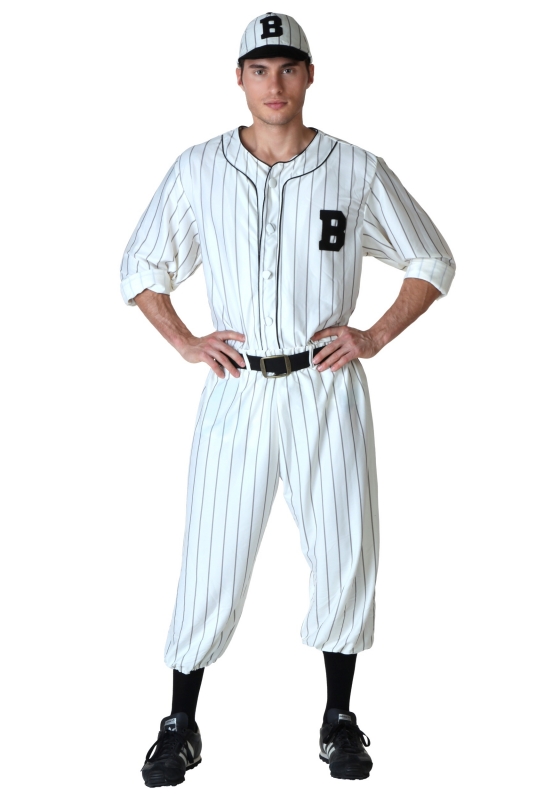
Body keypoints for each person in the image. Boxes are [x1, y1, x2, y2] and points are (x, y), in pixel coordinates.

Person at [120, 12, 456, 785]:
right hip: (237, 386)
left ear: (309, 75)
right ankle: (180, 723)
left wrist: (374, 335)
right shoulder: (200, 168)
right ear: (239, 78)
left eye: (288, 68)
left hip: (324, 383)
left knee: (344, 550)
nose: (275, 83)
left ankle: (339, 719)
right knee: (211, 556)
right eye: (260, 69)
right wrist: (184, 340)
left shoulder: (355, 169)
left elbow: (432, 258)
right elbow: (141, 264)